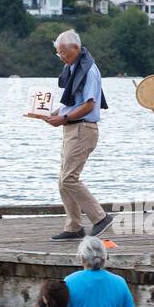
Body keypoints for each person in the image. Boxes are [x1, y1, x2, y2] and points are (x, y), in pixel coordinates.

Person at [48, 30, 114, 241]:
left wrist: (64, 119)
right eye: (58, 53)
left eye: (64, 53)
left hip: (82, 128)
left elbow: (89, 105)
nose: (61, 57)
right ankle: (74, 225)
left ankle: (100, 217)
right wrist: (55, 114)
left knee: (69, 178)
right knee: (63, 180)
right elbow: (71, 103)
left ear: (76, 48)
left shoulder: (89, 70)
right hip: (72, 128)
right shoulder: (74, 68)